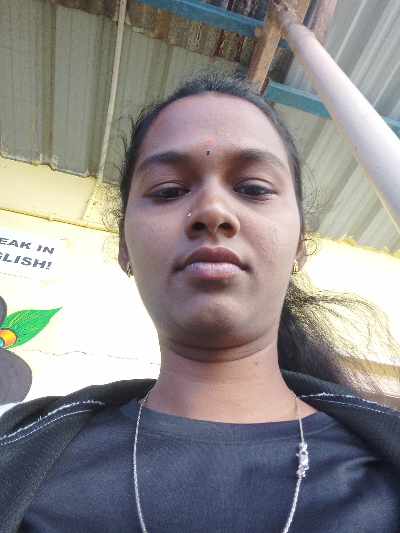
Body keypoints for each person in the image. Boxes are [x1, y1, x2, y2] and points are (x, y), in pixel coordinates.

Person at [1, 71, 400, 533]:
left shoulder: (383, 471)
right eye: (169, 190)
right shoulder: (19, 455)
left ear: (300, 245)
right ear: (124, 247)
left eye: (253, 188)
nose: (212, 210)